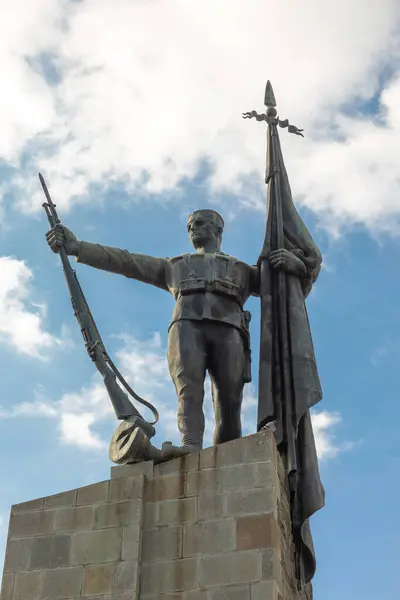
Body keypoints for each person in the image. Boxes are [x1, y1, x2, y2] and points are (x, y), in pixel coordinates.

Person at [46, 209, 308, 453]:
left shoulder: (242, 270)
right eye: (191, 225)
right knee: (188, 390)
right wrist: (79, 247)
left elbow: (285, 291)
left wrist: (298, 267)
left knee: (229, 401)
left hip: (230, 331)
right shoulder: (175, 265)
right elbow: (127, 261)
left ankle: (229, 452)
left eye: (202, 223)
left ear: (218, 230)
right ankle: (191, 445)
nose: (194, 228)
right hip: (186, 327)